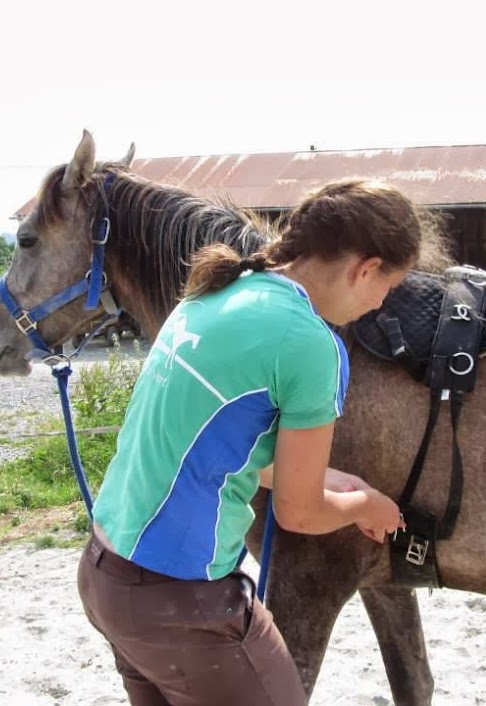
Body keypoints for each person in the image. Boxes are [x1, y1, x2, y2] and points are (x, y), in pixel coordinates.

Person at [77, 179, 424, 705]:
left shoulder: (215, 291)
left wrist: (331, 479)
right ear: (365, 268)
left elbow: (212, 445)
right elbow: (300, 515)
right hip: (181, 599)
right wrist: (365, 505)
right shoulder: (310, 343)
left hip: (108, 575)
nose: (381, 304)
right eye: (390, 286)